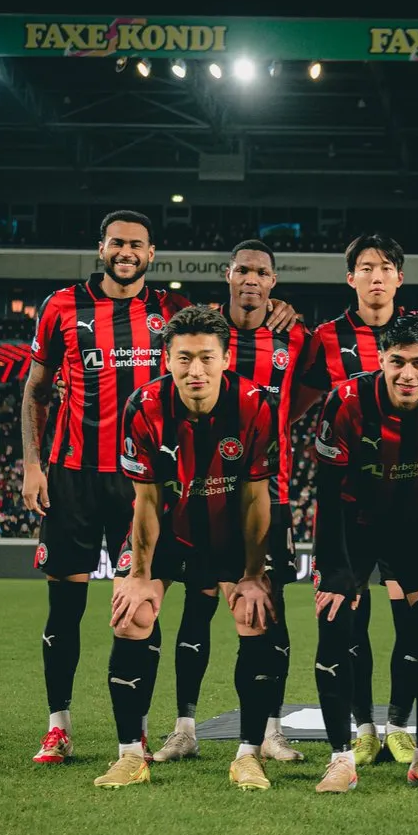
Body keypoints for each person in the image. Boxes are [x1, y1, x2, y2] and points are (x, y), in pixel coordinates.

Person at [22, 210, 189, 765]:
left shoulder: (170, 311)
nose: (126, 251)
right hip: (71, 478)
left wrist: (279, 311)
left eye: (136, 244)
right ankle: (58, 726)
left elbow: (219, 346)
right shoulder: (61, 306)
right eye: (116, 242)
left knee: (143, 605)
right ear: (101, 249)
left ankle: (135, 728)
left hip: (143, 484)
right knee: (64, 606)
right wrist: (32, 465)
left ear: (151, 252)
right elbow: (36, 391)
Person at [151, 240, 325, 765]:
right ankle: (185, 727)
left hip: (268, 490)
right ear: (228, 275)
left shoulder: (295, 334)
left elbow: (312, 390)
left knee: (270, 609)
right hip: (196, 490)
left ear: (273, 281)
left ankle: (270, 731)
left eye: (262, 272)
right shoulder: (202, 330)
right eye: (243, 270)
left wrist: (276, 425)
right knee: (198, 603)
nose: (252, 279)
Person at [98, 304, 280, 791]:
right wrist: (138, 576)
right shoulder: (143, 407)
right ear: (167, 359)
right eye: (183, 358)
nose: (194, 369)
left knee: (253, 613)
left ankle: (248, 755)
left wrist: (250, 572)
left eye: (205, 357)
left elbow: (257, 498)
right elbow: (146, 500)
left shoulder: (257, 404)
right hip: (167, 528)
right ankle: (130, 755)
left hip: (229, 533)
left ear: (224, 359)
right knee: (131, 614)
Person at [310, 314, 418, 794]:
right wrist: (336, 571)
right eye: (397, 362)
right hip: (352, 528)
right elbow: (326, 494)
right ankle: (340, 759)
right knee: (336, 624)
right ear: (381, 360)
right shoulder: (345, 402)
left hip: (416, 527)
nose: (407, 374)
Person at [304, 234, 418, 767]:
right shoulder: (325, 337)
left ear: (399, 277)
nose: (376, 276)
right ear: (351, 277)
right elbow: (299, 402)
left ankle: (399, 726)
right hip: (351, 501)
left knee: (415, 622)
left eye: (386, 267)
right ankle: (362, 728)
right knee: (350, 621)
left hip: (413, 498)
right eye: (366, 267)